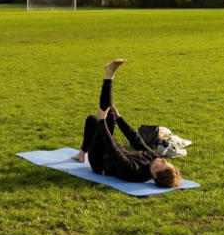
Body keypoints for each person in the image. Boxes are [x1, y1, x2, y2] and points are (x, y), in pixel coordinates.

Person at [72, 59, 182, 188]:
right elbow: (136, 140)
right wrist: (119, 118)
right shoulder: (154, 160)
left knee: (108, 119)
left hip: (100, 160)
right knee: (93, 120)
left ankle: (109, 75)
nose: (163, 160)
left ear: (155, 175)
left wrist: (103, 121)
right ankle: (82, 153)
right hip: (115, 151)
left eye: (163, 164)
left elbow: (113, 150)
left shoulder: (133, 172)